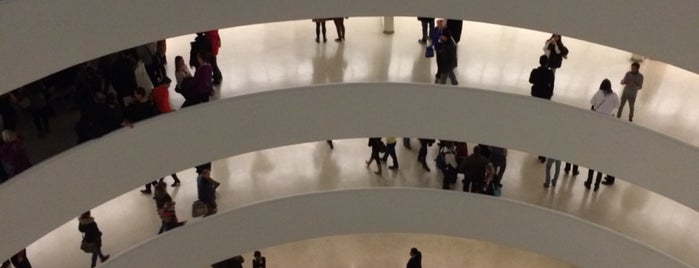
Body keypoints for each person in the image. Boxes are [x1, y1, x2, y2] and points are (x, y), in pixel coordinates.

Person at [585, 79, 620, 191]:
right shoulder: (614, 95)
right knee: (599, 164)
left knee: (592, 162)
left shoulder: (599, 93)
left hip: (597, 123)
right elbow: (617, 105)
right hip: (607, 124)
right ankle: (596, 185)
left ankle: (589, 182)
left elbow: (592, 102)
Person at [529, 55, 555, 162]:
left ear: (539, 62)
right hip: (544, 99)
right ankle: (541, 153)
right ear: (547, 63)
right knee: (542, 122)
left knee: (534, 118)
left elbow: (530, 81)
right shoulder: (550, 73)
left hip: (535, 96)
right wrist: (549, 96)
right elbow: (551, 85)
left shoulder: (535, 71)